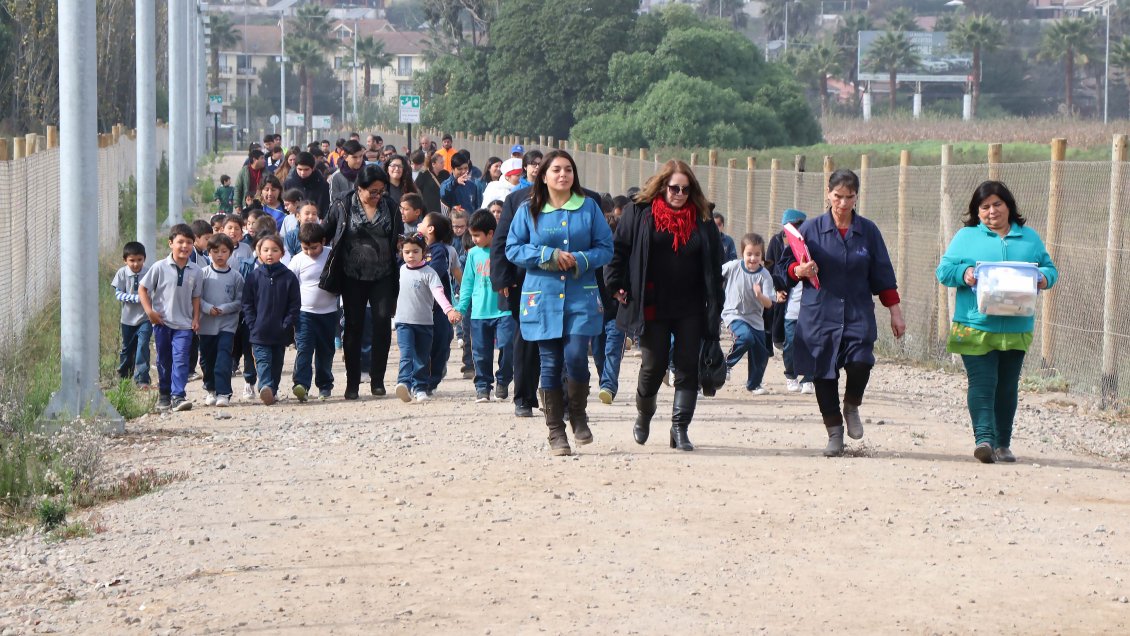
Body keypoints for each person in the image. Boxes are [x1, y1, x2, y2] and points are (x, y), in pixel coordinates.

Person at [776, 169, 906, 457]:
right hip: (819, 314)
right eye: (838, 196)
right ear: (828, 193)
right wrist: (798, 270)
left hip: (858, 311)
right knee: (823, 373)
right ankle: (834, 433)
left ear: (857, 196)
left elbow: (883, 274)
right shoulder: (808, 230)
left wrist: (895, 313)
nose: (843, 203)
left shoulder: (868, 231)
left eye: (849, 197)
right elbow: (783, 271)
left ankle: (852, 404)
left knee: (861, 360)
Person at [936, 180, 1058, 463]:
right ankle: (985, 441)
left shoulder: (1030, 239)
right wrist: (964, 273)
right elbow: (943, 270)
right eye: (985, 206)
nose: (992, 211)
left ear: (1009, 206)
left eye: (997, 204)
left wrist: (1043, 278)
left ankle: (1003, 443)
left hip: (1016, 327)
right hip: (974, 325)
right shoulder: (966, 238)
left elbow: (1050, 269)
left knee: (1006, 385)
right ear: (976, 212)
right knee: (982, 382)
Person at [606, 160, 723, 452]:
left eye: (685, 189)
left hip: (691, 304)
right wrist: (614, 284)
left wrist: (715, 305)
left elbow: (715, 264)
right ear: (662, 187)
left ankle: (680, 429)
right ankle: (644, 414)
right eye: (674, 188)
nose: (679, 194)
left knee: (687, 367)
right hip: (651, 303)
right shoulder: (640, 212)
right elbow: (619, 250)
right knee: (653, 365)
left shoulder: (703, 218)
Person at [505, 150, 613, 456]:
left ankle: (578, 414)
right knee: (550, 364)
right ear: (544, 175)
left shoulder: (589, 208)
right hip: (542, 298)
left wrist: (579, 259)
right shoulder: (529, 210)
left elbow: (606, 248)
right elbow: (512, 249)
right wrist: (546, 256)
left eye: (568, 169)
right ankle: (556, 431)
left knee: (577, 355)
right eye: (556, 170)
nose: (563, 175)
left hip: (581, 295)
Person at [322, 164, 403, 399]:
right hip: (352, 275)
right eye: (373, 192)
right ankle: (352, 383)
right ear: (360, 188)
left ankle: (377, 380)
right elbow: (326, 230)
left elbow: (395, 236)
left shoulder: (390, 206)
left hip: (383, 275)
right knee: (354, 327)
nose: (378, 196)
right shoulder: (343, 204)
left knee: (381, 326)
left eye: (381, 191)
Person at [139, 224, 203, 412]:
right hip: (162, 323)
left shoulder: (196, 271)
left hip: (184, 324)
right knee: (164, 360)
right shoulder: (159, 267)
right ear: (170, 243)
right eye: (180, 242)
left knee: (181, 358)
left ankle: (178, 395)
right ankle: (164, 394)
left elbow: (196, 296)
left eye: (189, 242)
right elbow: (143, 289)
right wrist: (149, 312)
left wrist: (196, 318)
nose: (184, 246)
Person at [455, 210, 514, 402]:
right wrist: (461, 308)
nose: (474, 239)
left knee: (508, 346)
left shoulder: (506, 250)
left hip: (504, 310)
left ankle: (504, 380)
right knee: (480, 353)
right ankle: (482, 387)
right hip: (479, 313)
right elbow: (467, 284)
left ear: (491, 233)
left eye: (477, 235)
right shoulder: (472, 254)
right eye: (472, 235)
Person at [394, 235, 460, 403]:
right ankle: (404, 383)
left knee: (422, 357)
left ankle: (420, 387)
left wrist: (449, 310)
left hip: (424, 323)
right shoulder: (400, 270)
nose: (411, 255)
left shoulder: (430, 273)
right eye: (407, 252)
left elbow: (439, 294)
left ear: (424, 252)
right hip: (403, 322)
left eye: (415, 251)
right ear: (401, 252)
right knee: (406, 354)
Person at [241, 233, 301, 406]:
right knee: (263, 361)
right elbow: (247, 304)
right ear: (259, 253)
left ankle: (271, 392)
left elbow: (294, 304)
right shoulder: (253, 277)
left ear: (282, 253)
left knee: (276, 363)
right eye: (265, 250)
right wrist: (253, 324)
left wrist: (286, 324)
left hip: (280, 332)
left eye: (274, 250)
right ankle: (265, 386)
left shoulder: (289, 277)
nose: (270, 254)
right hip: (259, 332)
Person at [289, 223, 339, 401]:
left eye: (314, 247)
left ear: (323, 242)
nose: (310, 252)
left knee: (326, 350)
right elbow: (290, 285)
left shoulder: (332, 255)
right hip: (305, 313)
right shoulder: (297, 260)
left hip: (329, 312)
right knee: (304, 348)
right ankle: (301, 384)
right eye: (305, 248)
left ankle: (325, 385)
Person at [723, 233, 775, 394]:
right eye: (749, 254)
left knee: (761, 354)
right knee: (745, 337)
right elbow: (713, 275)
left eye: (757, 254)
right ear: (742, 253)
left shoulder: (764, 275)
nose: (753, 258)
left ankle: (754, 384)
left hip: (755, 319)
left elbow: (769, 304)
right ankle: (726, 364)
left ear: (762, 256)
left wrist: (760, 295)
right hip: (734, 314)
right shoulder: (733, 267)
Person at [418, 212, 462, 395]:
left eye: (423, 222)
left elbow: (438, 271)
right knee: (421, 345)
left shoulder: (439, 250)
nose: (419, 224)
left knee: (441, 342)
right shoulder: (415, 247)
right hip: (420, 306)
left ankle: (433, 379)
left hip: (439, 308)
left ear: (430, 229)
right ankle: (420, 380)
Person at [198, 234, 244, 408]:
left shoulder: (236, 277)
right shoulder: (202, 275)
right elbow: (197, 298)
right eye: (215, 251)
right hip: (206, 325)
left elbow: (239, 301)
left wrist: (224, 308)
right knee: (207, 360)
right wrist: (208, 308)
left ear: (230, 253)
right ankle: (211, 389)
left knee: (223, 358)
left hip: (227, 325)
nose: (219, 255)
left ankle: (224, 392)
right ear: (209, 252)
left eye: (224, 251)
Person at [112, 241, 152, 388]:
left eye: (139, 260)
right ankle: (124, 376)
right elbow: (118, 294)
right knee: (127, 349)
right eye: (132, 260)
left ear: (144, 259)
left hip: (145, 318)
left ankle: (142, 379)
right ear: (125, 260)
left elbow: (153, 292)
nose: (136, 264)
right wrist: (137, 298)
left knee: (142, 346)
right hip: (128, 319)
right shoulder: (122, 273)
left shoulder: (148, 273)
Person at [283, 151, 331, 219]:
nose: (302, 173)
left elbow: (326, 208)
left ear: (313, 168)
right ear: (295, 167)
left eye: (306, 169)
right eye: (300, 169)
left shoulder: (323, 185)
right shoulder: (289, 183)